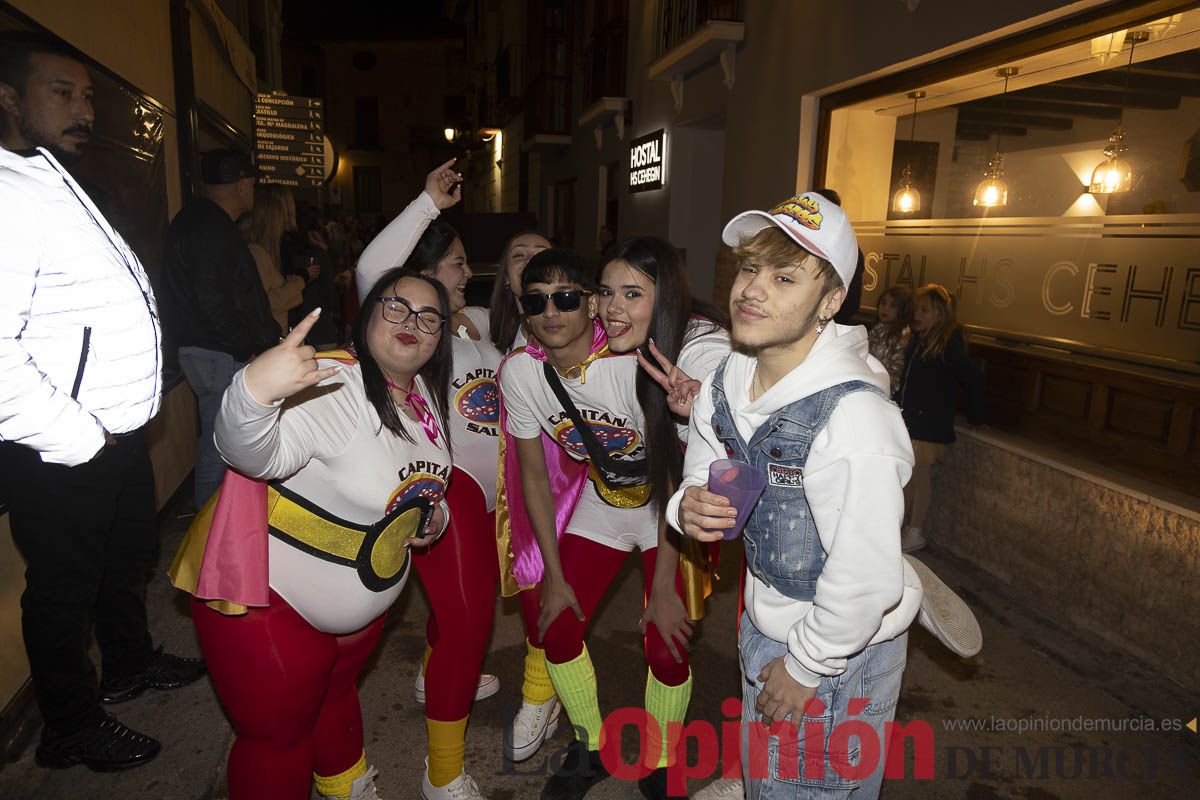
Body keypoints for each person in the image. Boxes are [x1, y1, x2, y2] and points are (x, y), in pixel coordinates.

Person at [670, 192, 922, 799]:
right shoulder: (727, 380)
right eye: (750, 268)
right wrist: (690, 506)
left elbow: (863, 579)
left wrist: (806, 666)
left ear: (830, 302)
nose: (752, 289)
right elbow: (702, 473)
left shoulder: (856, 418)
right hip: (768, 621)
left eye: (785, 276)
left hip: (839, 648)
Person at [0, 30, 204, 772]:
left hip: (115, 437)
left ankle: (126, 664)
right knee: (61, 594)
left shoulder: (56, 176)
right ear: (9, 98)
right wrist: (77, 434)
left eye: (87, 95)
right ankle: (69, 727)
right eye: (63, 92)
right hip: (62, 448)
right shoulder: (6, 192)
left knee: (124, 561)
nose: (83, 107)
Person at [171, 273, 455, 800]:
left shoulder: (422, 398)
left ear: (440, 336)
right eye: (396, 308)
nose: (412, 324)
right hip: (274, 606)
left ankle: (344, 786)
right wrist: (253, 390)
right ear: (367, 314)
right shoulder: (333, 386)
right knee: (278, 741)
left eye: (428, 316)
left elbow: (413, 480)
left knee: (335, 696)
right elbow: (250, 452)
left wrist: (432, 518)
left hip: (360, 610)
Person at [496, 248, 700, 800]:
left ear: (589, 305)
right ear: (523, 310)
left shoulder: (636, 363)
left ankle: (660, 760)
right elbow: (534, 479)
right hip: (603, 505)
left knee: (667, 641)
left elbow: (677, 479)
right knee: (553, 626)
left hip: (667, 511)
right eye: (537, 301)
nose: (552, 312)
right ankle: (590, 747)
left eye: (566, 297)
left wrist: (660, 587)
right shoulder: (521, 374)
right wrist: (554, 575)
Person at [358, 161, 500, 800]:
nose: (467, 273)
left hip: (492, 492)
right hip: (452, 486)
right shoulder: (411, 330)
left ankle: (432, 675)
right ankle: (442, 772)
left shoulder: (472, 326)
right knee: (471, 623)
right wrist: (425, 205)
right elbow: (373, 271)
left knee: (458, 617)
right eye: (457, 262)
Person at [162, 148, 280, 508]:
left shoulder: (200, 221)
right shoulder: (209, 228)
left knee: (222, 441)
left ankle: (214, 528)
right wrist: (246, 346)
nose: (254, 191)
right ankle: (209, 537)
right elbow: (211, 301)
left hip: (211, 349)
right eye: (252, 183)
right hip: (217, 353)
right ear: (242, 185)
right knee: (220, 445)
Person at [895, 284, 986, 553]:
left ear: (939, 315)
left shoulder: (947, 345)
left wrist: (976, 415)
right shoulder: (919, 340)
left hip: (929, 425)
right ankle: (903, 527)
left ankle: (916, 530)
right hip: (913, 421)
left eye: (925, 310)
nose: (917, 315)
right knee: (908, 478)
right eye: (917, 310)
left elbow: (973, 378)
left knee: (920, 479)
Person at [243, 185, 310, 336]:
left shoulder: (261, 252)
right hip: (269, 337)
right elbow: (266, 302)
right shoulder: (257, 253)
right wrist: (298, 282)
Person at [488, 230, 552, 353]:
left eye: (542, 255)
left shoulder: (576, 331)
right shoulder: (488, 328)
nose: (530, 261)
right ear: (506, 276)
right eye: (519, 255)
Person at [867, 285, 914, 393]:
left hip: (882, 390)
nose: (886, 308)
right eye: (883, 303)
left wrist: (882, 390)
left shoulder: (902, 337)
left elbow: (896, 372)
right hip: (868, 382)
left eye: (893, 306)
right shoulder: (875, 330)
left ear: (902, 310)